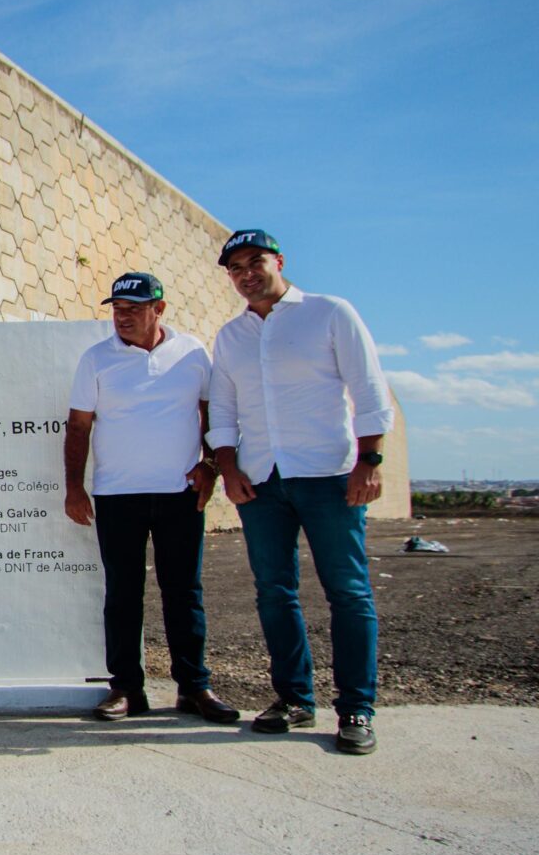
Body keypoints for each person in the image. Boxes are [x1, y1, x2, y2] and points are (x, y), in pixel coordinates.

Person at [207, 229, 393, 755]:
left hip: (329, 475)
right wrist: (227, 465)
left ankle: (356, 707)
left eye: (255, 261)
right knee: (273, 592)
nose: (246, 273)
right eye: (235, 268)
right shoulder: (231, 336)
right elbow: (222, 407)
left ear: (279, 261)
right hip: (261, 481)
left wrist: (369, 461)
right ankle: (293, 698)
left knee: (348, 592)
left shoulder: (330, 313)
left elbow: (369, 388)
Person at [65, 271, 240, 724]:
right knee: (123, 594)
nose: (122, 318)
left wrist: (211, 466)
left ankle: (194, 687)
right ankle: (125, 688)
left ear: (159, 310)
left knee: (184, 592)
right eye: (117, 309)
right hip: (117, 493)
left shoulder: (192, 353)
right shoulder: (96, 358)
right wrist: (74, 487)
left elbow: (211, 414)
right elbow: (79, 425)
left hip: (180, 494)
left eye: (133, 309)